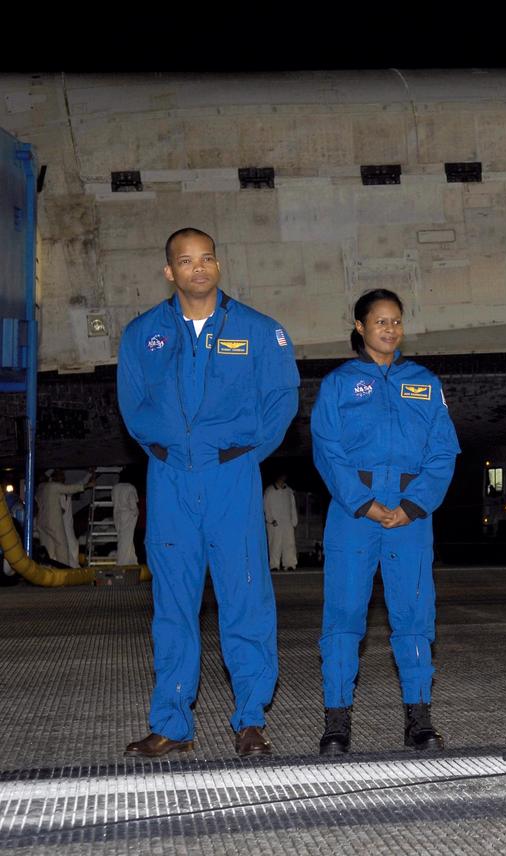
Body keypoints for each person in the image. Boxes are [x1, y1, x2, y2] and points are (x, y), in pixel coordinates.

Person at [117, 227, 299, 758]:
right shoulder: (142, 334)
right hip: (171, 478)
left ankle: (250, 719)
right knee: (173, 605)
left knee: (245, 598)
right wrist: (165, 449)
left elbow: (282, 400)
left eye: (208, 258)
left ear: (218, 266)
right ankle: (172, 723)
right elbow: (132, 404)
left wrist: (243, 453)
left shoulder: (259, 331)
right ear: (169, 272)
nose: (199, 268)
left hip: (231, 478)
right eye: (186, 261)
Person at [311, 289, 460, 755]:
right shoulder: (338, 383)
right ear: (360, 327)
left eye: (396, 321)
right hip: (353, 511)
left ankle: (419, 717)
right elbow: (327, 450)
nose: (390, 329)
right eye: (380, 321)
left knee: (415, 617)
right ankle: (337, 720)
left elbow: (444, 450)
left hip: (411, 514)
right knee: (343, 618)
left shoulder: (425, 382)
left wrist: (414, 505)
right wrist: (363, 502)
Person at [35, 469, 93, 567]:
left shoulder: (44, 488)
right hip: (57, 524)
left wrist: (90, 475)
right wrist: (88, 486)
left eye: (63, 475)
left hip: (53, 524)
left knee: (66, 546)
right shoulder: (53, 487)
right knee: (62, 547)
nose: (63, 477)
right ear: (53, 477)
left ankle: (53, 569)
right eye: (60, 475)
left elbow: (75, 486)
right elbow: (71, 490)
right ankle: (64, 569)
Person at [263, 473, 299, 571]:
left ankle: (290, 563)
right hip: (275, 523)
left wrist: (294, 521)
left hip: (287, 522)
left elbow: (292, 506)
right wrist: (270, 519)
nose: (283, 478)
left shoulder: (288, 490)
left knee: (289, 543)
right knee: (275, 544)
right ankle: (274, 565)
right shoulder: (269, 491)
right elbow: (266, 507)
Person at [112, 474, 140, 566]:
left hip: (117, 515)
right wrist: (135, 512)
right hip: (127, 515)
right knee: (125, 539)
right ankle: (122, 562)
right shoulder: (130, 487)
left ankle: (131, 560)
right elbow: (133, 504)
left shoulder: (115, 488)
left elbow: (113, 501)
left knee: (124, 538)